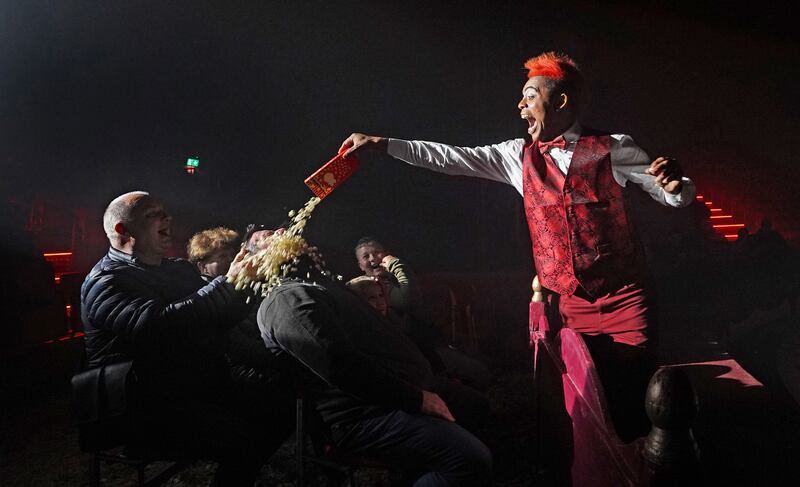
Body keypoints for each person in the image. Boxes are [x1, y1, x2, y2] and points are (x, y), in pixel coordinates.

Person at [340, 51, 696, 441]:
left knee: (637, 395)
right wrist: (382, 144)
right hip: (572, 305)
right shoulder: (516, 157)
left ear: (560, 101)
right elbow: (451, 158)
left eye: (529, 96)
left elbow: (669, 194)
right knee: (589, 399)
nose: (520, 105)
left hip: (626, 298)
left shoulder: (613, 147)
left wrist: (675, 186)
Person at [81, 191, 292, 486]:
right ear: (122, 230)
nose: (167, 217)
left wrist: (253, 273)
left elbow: (220, 316)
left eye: (165, 211)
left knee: (283, 406)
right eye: (153, 214)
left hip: (197, 386)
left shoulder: (177, 270)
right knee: (242, 438)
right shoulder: (105, 282)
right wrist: (228, 283)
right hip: (146, 404)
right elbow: (160, 326)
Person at [257, 242, 492, 486]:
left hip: (404, 387)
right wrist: (417, 399)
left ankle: (417, 470)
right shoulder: (287, 299)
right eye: (266, 238)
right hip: (365, 413)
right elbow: (341, 366)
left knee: (475, 407)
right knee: (470, 461)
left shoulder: (321, 285)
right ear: (257, 262)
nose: (281, 234)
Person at [354, 237, 492, 390]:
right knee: (479, 373)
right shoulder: (367, 287)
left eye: (377, 253)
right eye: (366, 256)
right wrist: (396, 264)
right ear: (360, 265)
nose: (373, 258)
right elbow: (410, 300)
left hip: (428, 343)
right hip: (414, 353)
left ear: (386, 254)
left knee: (482, 361)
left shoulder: (390, 280)